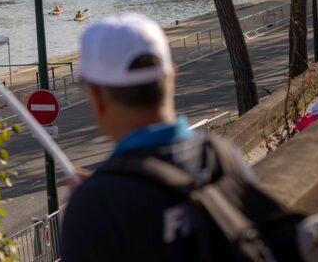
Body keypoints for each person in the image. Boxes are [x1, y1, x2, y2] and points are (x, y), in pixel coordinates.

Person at [60, 15, 254, 260]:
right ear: (172, 77)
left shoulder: (96, 208)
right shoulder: (224, 157)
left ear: (97, 96)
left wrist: (94, 198)